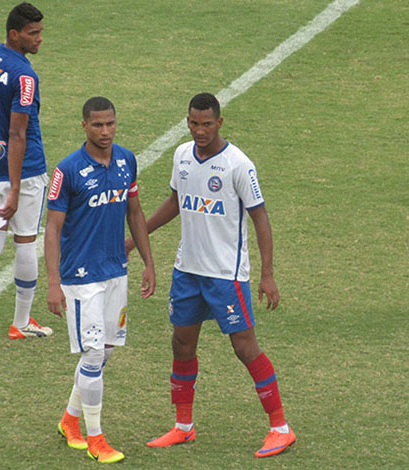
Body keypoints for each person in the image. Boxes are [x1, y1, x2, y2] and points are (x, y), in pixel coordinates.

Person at [126, 93, 295, 458]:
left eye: (206, 123)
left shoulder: (238, 165)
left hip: (226, 275)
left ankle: (281, 428)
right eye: (193, 123)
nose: (199, 130)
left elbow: (260, 217)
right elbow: (176, 200)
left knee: (244, 348)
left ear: (220, 122)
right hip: (188, 269)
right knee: (181, 344)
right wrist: (134, 241)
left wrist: (267, 275)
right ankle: (183, 426)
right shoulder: (182, 156)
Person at [45, 97, 156, 464]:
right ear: (84, 127)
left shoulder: (127, 160)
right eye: (97, 125)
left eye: (110, 124)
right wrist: (52, 281)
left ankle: (69, 420)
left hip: (115, 272)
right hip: (80, 278)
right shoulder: (68, 171)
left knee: (105, 352)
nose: (105, 131)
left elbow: (135, 213)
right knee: (93, 355)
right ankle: (96, 438)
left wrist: (148, 263)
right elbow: (53, 227)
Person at [0, 2, 53, 351]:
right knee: (25, 241)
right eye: (33, 33)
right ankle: (20, 323)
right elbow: (18, 135)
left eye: (41, 32)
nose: (40, 39)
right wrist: (15, 188)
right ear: (14, 34)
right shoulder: (25, 76)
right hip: (25, 171)